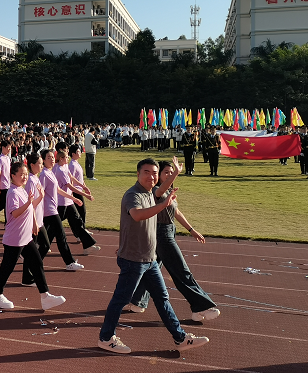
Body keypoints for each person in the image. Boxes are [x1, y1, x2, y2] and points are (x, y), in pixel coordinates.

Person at [97, 158, 210, 354]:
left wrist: (175, 174)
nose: (151, 176)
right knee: (120, 300)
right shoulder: (133, 195)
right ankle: (106, 338)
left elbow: (160, 190)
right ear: (138, 174)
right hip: (134, 260)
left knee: (162, 298)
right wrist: (164, 204)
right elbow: (137, 215)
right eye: (146, 172)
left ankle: (180, 338)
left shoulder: (151, 193)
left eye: (154, 173)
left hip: (150, 260)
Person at [127, 158, 220, 322]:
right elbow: (160, 191)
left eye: (171, 172)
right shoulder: (156, 190)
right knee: (181, 270)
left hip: (169, 231)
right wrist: (176, 173)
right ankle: (200, 307)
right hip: (162, 234)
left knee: (152, 269)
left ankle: (137, 302)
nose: (169, 175)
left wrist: (191, 230)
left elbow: (176, 212)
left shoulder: (168, 192)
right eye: (166, 173)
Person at [0, 162, 66, 312]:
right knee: (7, 267)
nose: (24, 177)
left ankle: (45, 296)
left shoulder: (21, 190)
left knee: (37, 263)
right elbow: (15, 213)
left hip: (26, 237)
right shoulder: (12, 192)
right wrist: (29, 202)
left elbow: (30, 207)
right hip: (15, 239)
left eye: (25, 174)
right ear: (13, 176)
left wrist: (39, 199)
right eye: (21, 174)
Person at [36, 149, 85, 271]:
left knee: (46, 240)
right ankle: (69, 262)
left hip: (53, 209)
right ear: (43, 160)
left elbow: (58, 190)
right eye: (48, 157)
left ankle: (33, 261)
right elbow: (40, 194)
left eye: (53, 157)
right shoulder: (43, 175)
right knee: (61, 236)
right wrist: (38, 211)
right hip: (49, 211)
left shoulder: (51, 172)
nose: (52, 159)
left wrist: (74, 198)